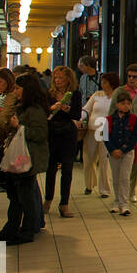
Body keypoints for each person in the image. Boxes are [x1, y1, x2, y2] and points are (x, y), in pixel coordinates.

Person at [0, 73, 51, 245]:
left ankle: (27, 231)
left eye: (17, 88)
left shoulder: (35, 109)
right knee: (16, 195)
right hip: (19, 158)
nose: (14, 91)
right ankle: (11, 228)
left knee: (26, 196)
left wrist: (18, 126)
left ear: (27, 89)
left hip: (27, 159)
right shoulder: (22, 106)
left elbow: (39, 134)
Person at [110, 64, 137, 204]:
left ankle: (131, 189)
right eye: (129, 76)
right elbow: (111, 111)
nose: (131, 79)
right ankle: (120, 192)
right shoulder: (119, 91)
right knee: (121, 163)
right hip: (122, 132)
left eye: (135, 77)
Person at [43, 66, 83, 218]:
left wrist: (67, 110)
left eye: (61, 78)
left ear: (68, 79)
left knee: (67, 170)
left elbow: (77, 114)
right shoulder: (49, 94)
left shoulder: (75, 94)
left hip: (67, 133)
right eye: (56, 78)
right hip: (52, 132)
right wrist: (52, 108)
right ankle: (48, 200)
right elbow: (44, 111)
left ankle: (64, 204)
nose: (58, 81)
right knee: (50, 169)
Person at [81, 72, 118, 199]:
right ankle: (89, 184)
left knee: (104, 160)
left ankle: (105, 189)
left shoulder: (116, 97)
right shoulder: (97, 95)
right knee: (88, 158)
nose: (102, 84)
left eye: (105, 82)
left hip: (107, 131)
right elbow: (86, 109)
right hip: (93, 129)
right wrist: (82, 118)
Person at [105, 89, 137, 217]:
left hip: (127, 152)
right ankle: (116, 201)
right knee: (115, 178)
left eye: (128, 103)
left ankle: (124, 203)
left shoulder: (134, 119)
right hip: (113, 152)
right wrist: (113, 150)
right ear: (117, 104)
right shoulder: (108, 119)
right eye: (123, 103)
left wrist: (123, 149)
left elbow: (134, 138)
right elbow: (105, 137)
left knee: (125, 178)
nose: (125, 106)